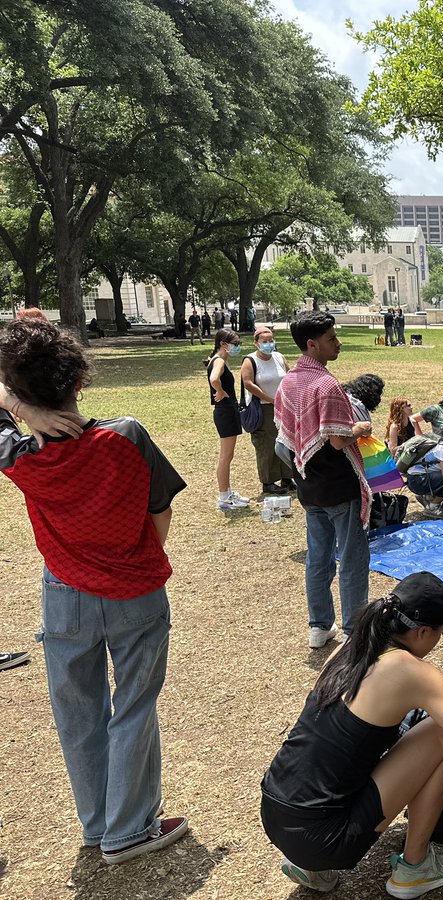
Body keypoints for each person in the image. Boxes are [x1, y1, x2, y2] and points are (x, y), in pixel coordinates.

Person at [0, 315, 192, 864]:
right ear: (79, 381)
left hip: (63, 593)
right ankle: (129, 829)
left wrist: (21, 408)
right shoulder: (125, 435)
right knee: (133, 706)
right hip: (135, 591)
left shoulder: (18, 454)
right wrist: (140, 557)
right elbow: (160, 510)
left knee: (78, 713)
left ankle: (98, 823)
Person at [261, 572, 443, 897]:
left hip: (276, 813)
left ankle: (310, 867)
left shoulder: (353, 645)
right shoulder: (412, 671)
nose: (437, 642)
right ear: (423, 632)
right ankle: (415, 868)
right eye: (440, 634)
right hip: (321, 838)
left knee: (350, 749)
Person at [274, 311, 374, 649]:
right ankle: (353, 630)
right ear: (312, 344)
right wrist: (360, 428)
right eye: (332, 338)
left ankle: (319, 626)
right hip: (339, 483)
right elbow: (337, 438)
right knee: (352, 558)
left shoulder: (289, 381)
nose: (338, 343)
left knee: (318, 557)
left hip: (308, 483)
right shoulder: (326, 384)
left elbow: (289, 433)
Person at [240, 326, 295, 496]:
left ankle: (287, 477)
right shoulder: (250, 360)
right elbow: (248, 383)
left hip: (283, 407)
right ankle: (268, 481)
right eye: (265, 341)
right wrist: (270, 399)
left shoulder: (279, 357)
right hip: (264, 407)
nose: (269, 344)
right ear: (256, 343)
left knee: (287, 441)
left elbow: (289, 374)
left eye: (271, 340)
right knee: (267, 444)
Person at [206, 328, 251, 510]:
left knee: (228, 455)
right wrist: (220, 391)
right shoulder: (219, 361)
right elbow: (214, 378)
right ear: (223, 344)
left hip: (226, 411)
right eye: (235, 344)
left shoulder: (218, 360)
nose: (237, 347)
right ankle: (224, 497)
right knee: (226, 456)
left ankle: (228, 492)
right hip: (225, 411)